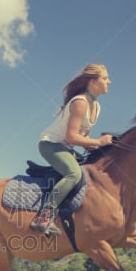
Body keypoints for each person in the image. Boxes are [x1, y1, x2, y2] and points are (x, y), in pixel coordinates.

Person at [31, 64, 114, 236]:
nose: (109, 82)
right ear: (93, 82)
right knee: (74, 174)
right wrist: (99, 141)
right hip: (50, 144)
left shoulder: (96, 108)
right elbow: (71, 137)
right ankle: (43, 217)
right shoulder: (80, 103)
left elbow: (83, 140)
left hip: (65, 147)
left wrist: (104, 148)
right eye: (105, 78)